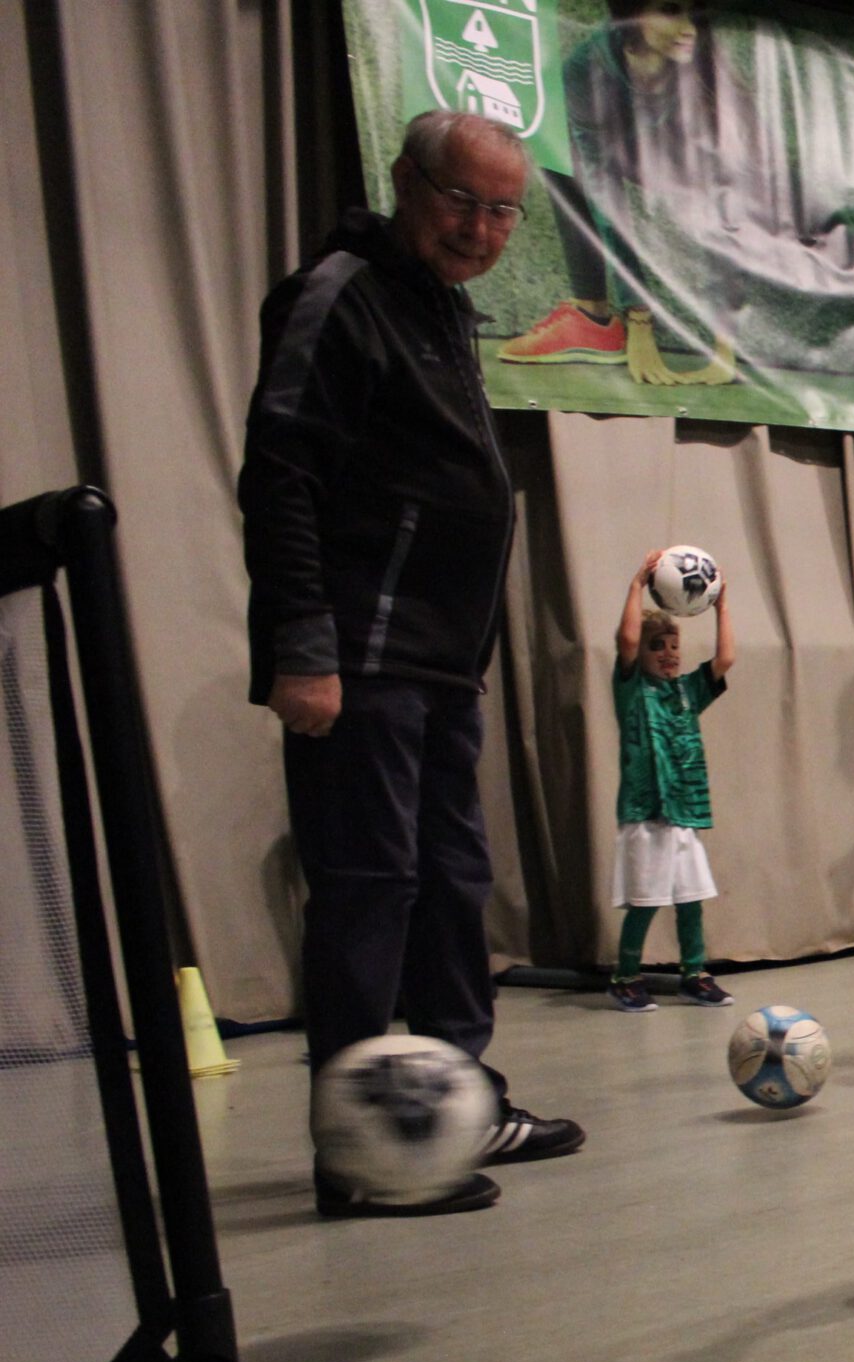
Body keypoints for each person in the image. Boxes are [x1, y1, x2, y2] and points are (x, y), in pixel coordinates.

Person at [240, 110, 583, 1217]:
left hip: (439, 670)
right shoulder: (339, 292)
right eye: (460, 201)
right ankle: (363, 1150)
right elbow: (280, 475)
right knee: (370, 892)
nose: (479, 228)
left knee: (451, 889)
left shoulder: (442, 310)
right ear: (405, 182)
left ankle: (456, 1107)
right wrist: (305, 647)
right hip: (361, 657)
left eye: (501, 211)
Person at [498, 1, 740, 386]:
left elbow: (720, 195)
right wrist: (637, 316)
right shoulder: (584, 69)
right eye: (671, 9)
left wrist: (724, 346)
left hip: (681, 157)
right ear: (632, 13)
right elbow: (603, 189)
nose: (688, 27)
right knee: (556, 146)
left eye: (696, 13)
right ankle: (593, 319)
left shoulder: (705, 64)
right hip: (619, 148)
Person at [607, 560, 736, 1011]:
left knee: (691, 898)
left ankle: (694, 973)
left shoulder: (685, 691)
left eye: (674, 646)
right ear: (640, 654)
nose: (668, 654)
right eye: (657, 646)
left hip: (684, 813)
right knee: (646, 901)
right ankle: (625, 976)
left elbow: (724, 660)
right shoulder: (631, 688)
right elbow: (625, 639)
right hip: (647, 814)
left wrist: (721, 605)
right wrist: (637, 583)